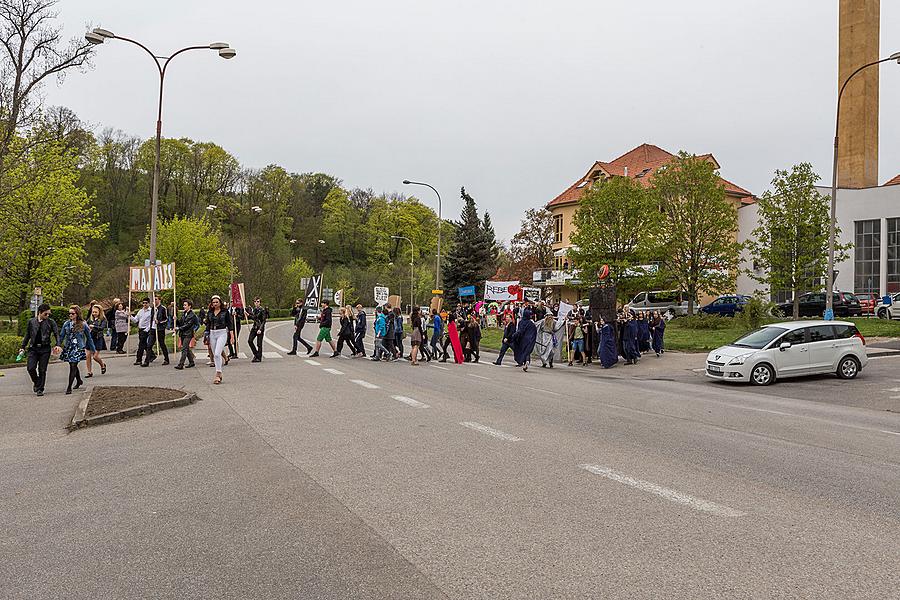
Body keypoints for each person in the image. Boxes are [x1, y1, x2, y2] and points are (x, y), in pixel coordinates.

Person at [20, 303, 59, 396]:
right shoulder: (31, 321)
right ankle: (37, 382)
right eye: (46, 314)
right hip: (33, 348)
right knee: (30, 368)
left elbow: (56, 333)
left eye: (49, 314)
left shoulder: (51, 322)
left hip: (45, 348)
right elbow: (27, 335)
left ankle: (40, 389)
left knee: (42, 369)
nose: (48, 315)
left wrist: (57, 344)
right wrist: (22, 347)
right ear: (40, 313)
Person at [59, 305, 95, 395]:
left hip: (78, 347)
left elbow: (89, 337)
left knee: (73, 365)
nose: (70, 315)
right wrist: (58, 345)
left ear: (77, 314)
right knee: (72, 364)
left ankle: (69, 387)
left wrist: (92, 349)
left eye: (72, 313)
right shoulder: (66, 324)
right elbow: (62, 335)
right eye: (69, 313)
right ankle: (79, 380)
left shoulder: (83, 324)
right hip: (69, 347)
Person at [204, 295, 234, 384]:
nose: (215, 304)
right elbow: (208, 324)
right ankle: (219, 372)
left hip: (222, 332)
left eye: (217, 302)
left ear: (220, 302)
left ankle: (218, 373)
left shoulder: (225, 312)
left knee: (217, 353)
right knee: (214, 354)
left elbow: (230, 324)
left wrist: (232, 336)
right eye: (213, 302)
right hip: (212, 333)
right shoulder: (210, 312)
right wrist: (206, 335)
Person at [131, 297, 156, 367]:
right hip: (141, 329)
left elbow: (151, 322)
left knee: (141, 345)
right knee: (144, 344)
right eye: (143, 303)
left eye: (146, 303)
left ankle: (139, 359)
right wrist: (130, 316)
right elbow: (136, 320)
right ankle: (152, 355)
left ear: (149, 303)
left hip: (146, 329)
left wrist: (147, 329)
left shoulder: (151, 311)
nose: (144, 304)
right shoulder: (140, 311)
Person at [174, 299, 199, 369]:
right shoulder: (184, 313)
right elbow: (181, 323)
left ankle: (181, 364)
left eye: (185, 305)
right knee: (187, 348)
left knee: (184, 349)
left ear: (189, 306)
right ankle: (191, 362)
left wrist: (179, 328)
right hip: (183, 333)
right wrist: (176, 320)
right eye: (183, 305)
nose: (184, 306)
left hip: (188, 334)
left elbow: (188, 325)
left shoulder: (192, 315)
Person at [85, 305, 107, 378]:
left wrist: (93, 327)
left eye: (95, 312)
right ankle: (89, 372)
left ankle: (102, 365)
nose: (94, 313)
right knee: (87, 355)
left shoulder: (103, 319)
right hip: (90, 339)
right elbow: (85, 326)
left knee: (95, 357)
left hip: (98, 338)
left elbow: (102, 328)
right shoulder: (90, 319)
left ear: (99, 312)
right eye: (93, 312)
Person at [246, 297, 269, 362]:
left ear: (260, 302)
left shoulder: (262, 310)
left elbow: (264, 321)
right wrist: (248, 315)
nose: (256, 303)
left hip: (260, 328)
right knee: (250, 341)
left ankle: (259, 357)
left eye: (258, 301)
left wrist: (260, 329)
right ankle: (256, 354)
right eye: (255, 301)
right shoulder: (254, 310)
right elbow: (254, 318)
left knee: (259, 344)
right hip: (254, 327)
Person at [152, 296, 170, 365]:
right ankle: (148, 359)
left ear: (159, 300)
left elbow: (166, 319)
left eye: (156, 299)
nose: (155, 301)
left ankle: (166, 359)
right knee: (149, 344)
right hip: (153, 329)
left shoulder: (163, 308)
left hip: (160, 329)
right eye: (154, 299)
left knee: (162, 344)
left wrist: (159, 322)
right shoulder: (153, 308)